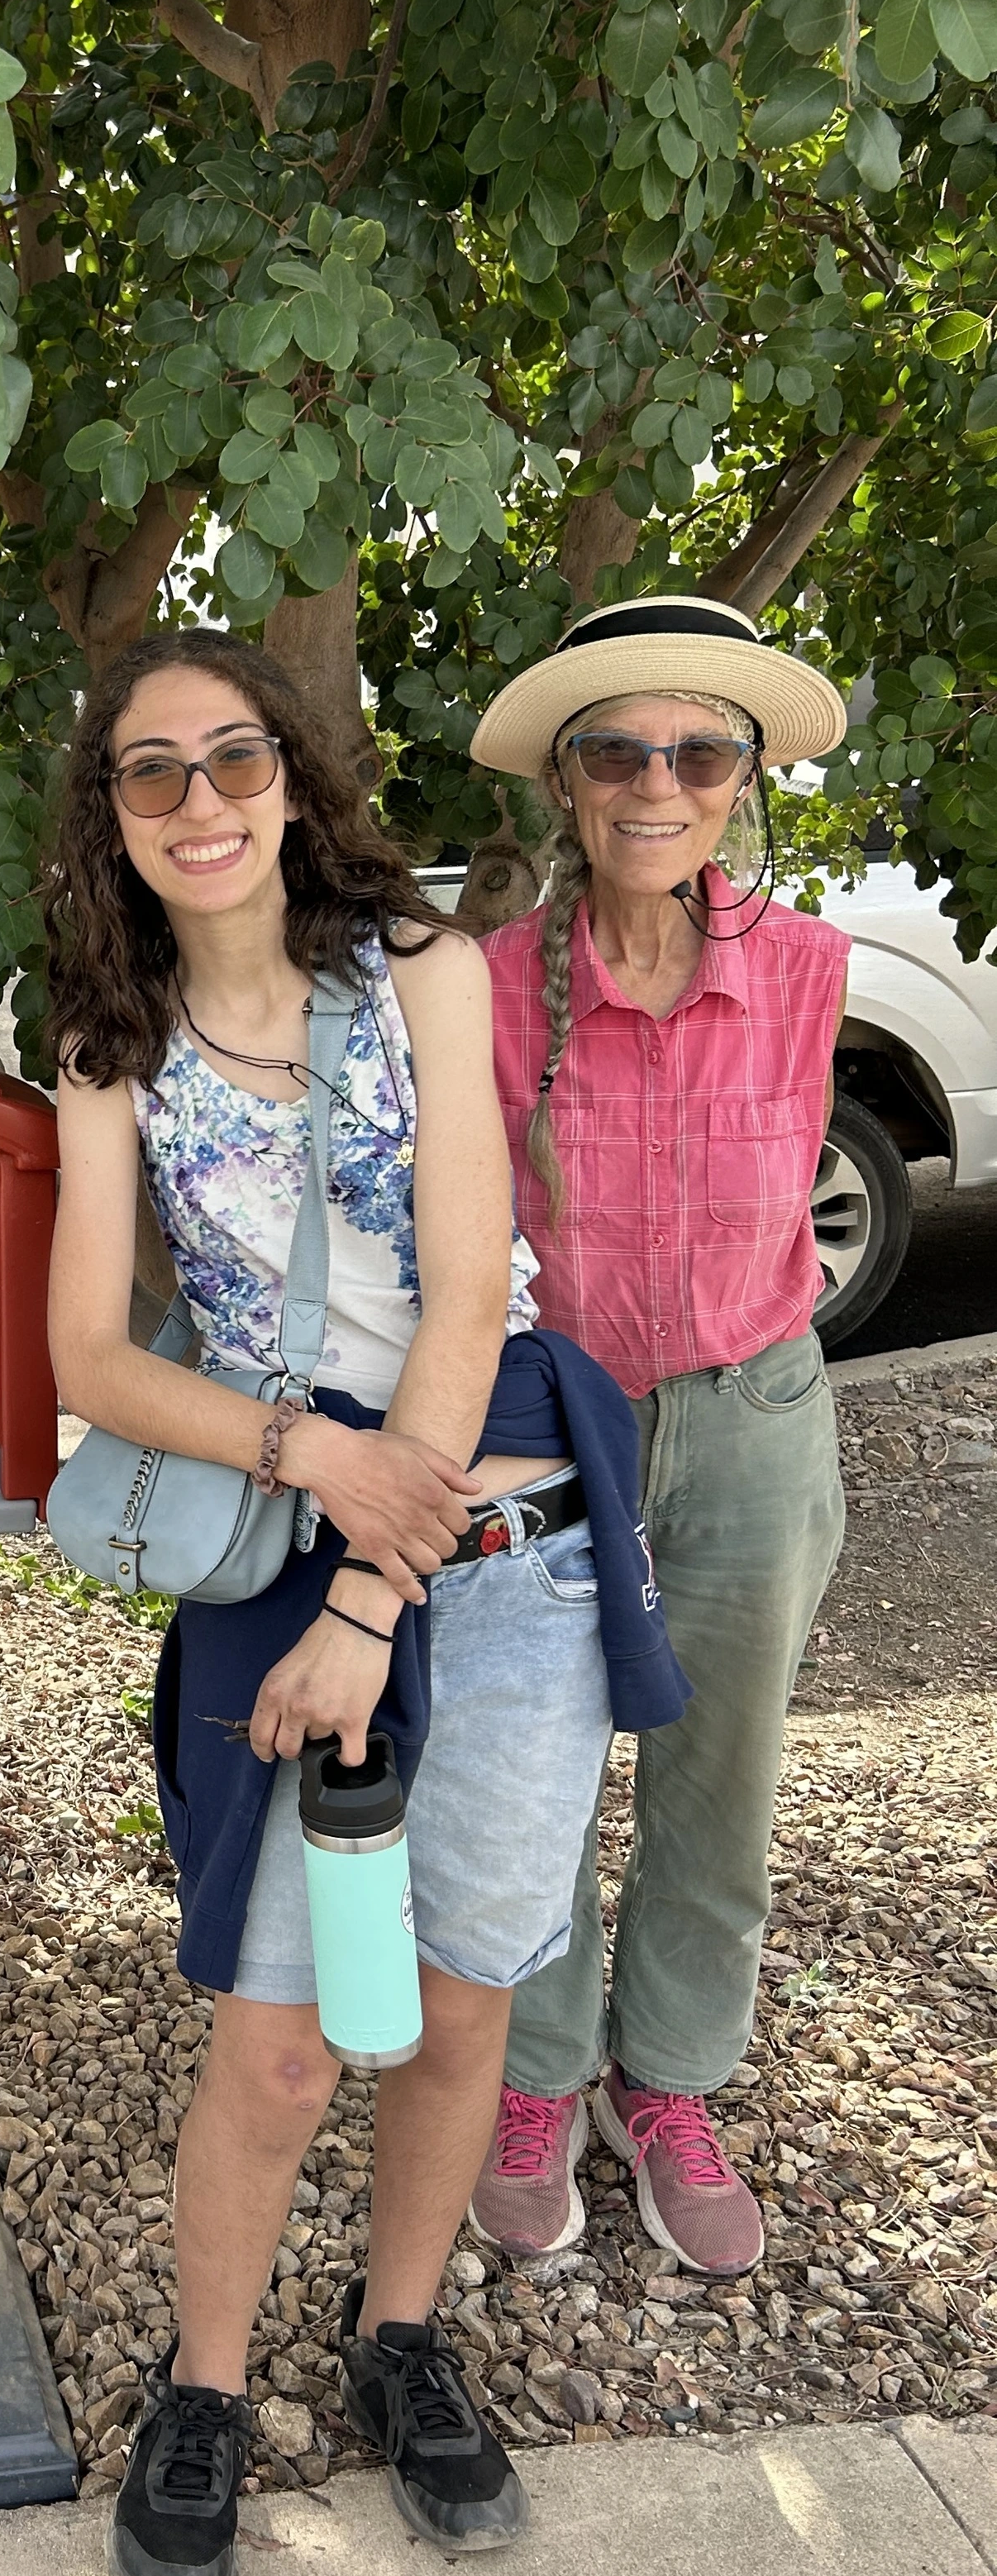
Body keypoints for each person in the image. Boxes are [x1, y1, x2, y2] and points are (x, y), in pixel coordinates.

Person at [46, 628, 685, 2576]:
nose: (203, 800)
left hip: (504, 1544)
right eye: (153, 773)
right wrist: (304, 1465)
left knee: (463, 1994)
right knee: (278, 2038)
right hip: (286, 1533)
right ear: (114, 818)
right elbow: (86, 1348)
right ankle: (208, 2384)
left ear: (294, 778)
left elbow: (476, 1276)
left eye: (234, 757)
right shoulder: (105, 1042)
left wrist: (372, 1580)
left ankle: (402, 2334)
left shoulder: (421, 968)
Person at [465, 594, 851, 2278]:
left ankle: (670, 2078)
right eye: (619, 749)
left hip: (755, 1413)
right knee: (538, 1773)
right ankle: (537, 2075)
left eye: (699, 750)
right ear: (567, 781)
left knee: (722, 1777)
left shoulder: (811, 971)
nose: (657, 781)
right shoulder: (483, 987)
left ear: (743, 776)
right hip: (557, 1424)